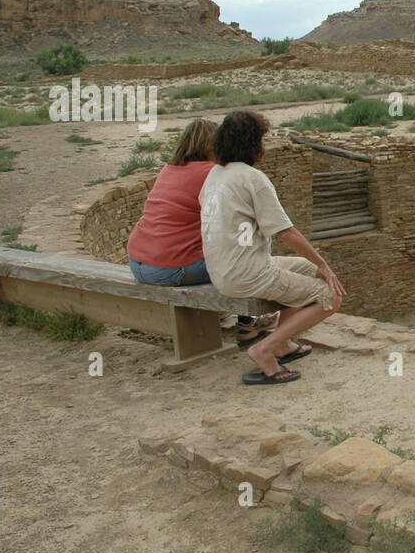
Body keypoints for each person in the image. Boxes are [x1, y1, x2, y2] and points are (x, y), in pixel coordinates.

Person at [200, 110, 346, 385]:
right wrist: (325, 264)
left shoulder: (215, 175)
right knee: (330, 296)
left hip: (224, 270)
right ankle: (265, 349)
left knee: (309, 269)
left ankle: (283, 343)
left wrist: (318, 265)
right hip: (247, 273)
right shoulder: (252, 178)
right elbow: (286, 233)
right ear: (254, 143)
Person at [125, 119, 276, 344]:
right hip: (169, 268)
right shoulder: (211, 173)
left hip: (138, 263)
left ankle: (234, 312)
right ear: (210, 145)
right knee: (252, 243)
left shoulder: (169, 169)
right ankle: (249, 321)